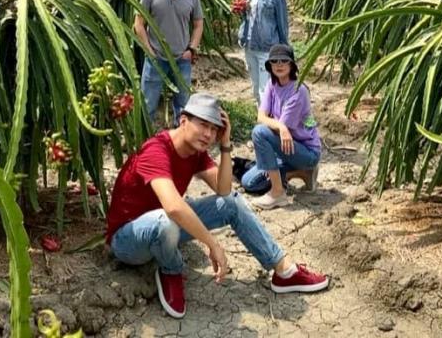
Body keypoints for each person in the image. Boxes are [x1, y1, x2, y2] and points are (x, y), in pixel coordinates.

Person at [106, 92, 329, 319]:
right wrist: (213, 244)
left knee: (230, 202)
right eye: (203, 125)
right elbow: (173, 207)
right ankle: (171, 269)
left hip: (166, 228)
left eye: (214, 129)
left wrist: (225, 145)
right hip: (128, 240)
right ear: (183, 121)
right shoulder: (156, 150)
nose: (208, 134)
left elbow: (224, 191)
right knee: (165, 222)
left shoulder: (196, 152)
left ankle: (284, 270)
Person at [241, 44, 322, 209]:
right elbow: (261, 116)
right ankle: (300, 172)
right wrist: (281, 127)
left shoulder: (299, 91)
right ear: (269, 65)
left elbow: (266, 126)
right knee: (249, 182)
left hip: (306, 151)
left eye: (284, 60)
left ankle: (278, 193)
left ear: (291, 64)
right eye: (274, 61)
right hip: (285, 146)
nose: (279, 64)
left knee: (259, 132)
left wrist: (281, 127)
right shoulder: (272, 84)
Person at [134, 0, 203, 125]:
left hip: (182, 58)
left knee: (183, 103)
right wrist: (149, 52)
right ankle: (144, 139)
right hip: (156, 58)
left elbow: (198, 25)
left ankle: (180, 139)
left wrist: (192, 49)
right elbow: (139, 24)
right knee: (147, 102)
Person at [238, 0, 289, 105]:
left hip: (267, 48)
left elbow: (282, 24)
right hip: (249, 44)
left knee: (264, 89)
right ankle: (264, 118)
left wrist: (284, 51)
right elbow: (247, 16)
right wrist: (242, 9)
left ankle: (268, 123)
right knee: (255, 88)